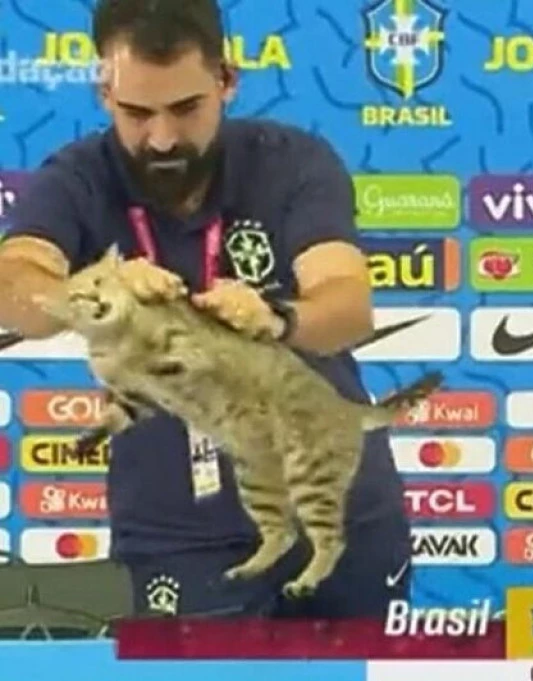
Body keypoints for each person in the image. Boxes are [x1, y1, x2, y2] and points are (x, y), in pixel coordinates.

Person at [0, 0, 412, 618]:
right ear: (104, 92)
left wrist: (278, 318)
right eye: (137, 113)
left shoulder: (292, 161)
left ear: (226, 80)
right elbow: (15, 287)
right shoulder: (77, 177)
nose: (162, 137)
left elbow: (349, 306)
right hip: (176, 540)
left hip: (340, 519)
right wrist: (97, 289)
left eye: (185, 108)